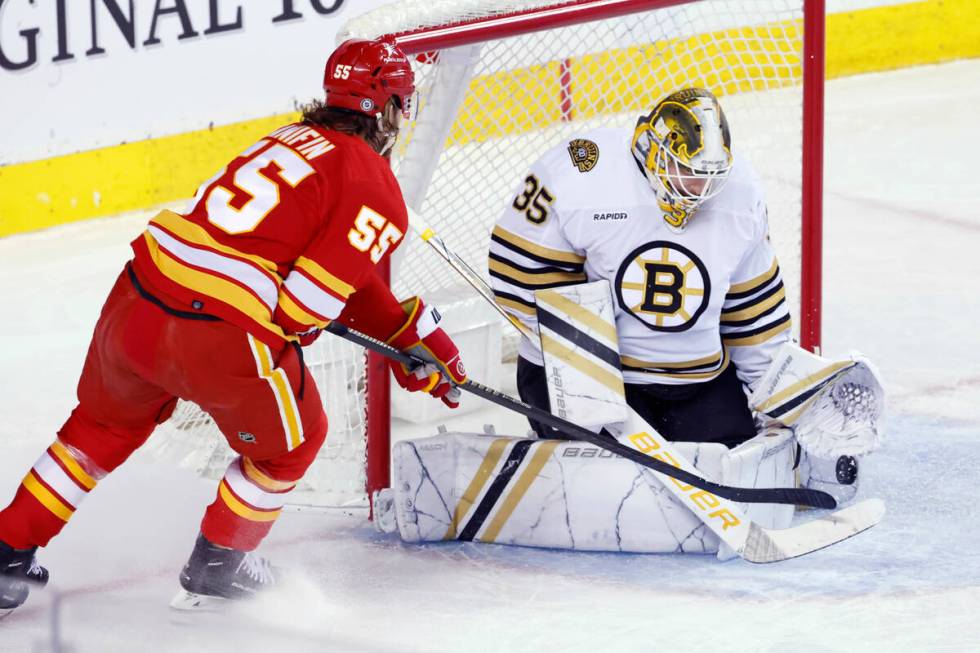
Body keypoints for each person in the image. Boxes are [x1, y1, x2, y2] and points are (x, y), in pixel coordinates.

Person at [0, 37, 467, 615]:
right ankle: (220, 561)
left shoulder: (285, 140)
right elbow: (303, 312)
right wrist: (398, 346)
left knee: (99, 428)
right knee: (295, 442)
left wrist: (404, 333)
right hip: (218, 332)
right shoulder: (374, 184)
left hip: (137, 303)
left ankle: (6, 554)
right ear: (388, 107)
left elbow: (336, 276)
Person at [489, 87, 790, 448]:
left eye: (709, 174)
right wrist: (583, 377)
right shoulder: (582, 169)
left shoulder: (741, 192)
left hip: (696, 381)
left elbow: (754, 309)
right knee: (599, 481)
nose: (699, 187)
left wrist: (778, 402)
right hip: (592, 375)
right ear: (651, 149)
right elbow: (519, 270)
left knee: (730, 462)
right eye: (685, 169)